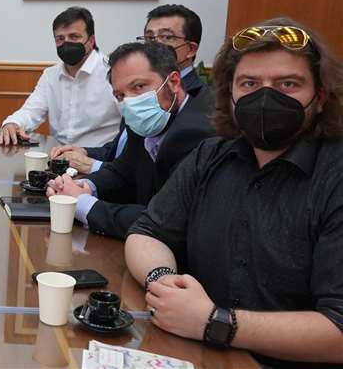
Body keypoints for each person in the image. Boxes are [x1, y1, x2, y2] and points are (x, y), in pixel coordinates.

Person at [126, 20, 343, 367]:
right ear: (230, 95)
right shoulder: (210, 155)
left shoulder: (334, 177)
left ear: (319, 98)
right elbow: (147, 232)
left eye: (288, 84)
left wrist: (215, 322)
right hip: (196, 352)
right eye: (249, 84)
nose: (265, 97)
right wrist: (163, 282)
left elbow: (338, 329)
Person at [46, 41, 214, 239]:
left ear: (174, 82)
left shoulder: (199, 133)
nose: (131, 102)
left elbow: (165, 219)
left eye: (139, 86)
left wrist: (82, 204)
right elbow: (123, 172)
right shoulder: (145, 119)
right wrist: (87, 186)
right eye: (120, 95)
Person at [52, 4, 206, 173]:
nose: (155, 45)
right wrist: (85, 152)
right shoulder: (133, 89)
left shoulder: (194, 103)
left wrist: (93, 166)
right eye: (149, 37)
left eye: (167, 37)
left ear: (191, 49)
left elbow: (146, 175)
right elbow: (122, 150)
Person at [0, 7, 121, 147]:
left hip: (100, 156)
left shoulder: (114, 71)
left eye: (74, 37)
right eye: (60, 39)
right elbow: (30, 111)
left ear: (91, 41)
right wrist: (13, 124)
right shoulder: (51, 75)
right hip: (58, 155)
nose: (66, 43)